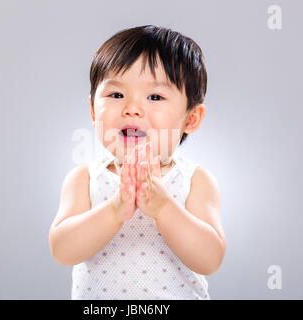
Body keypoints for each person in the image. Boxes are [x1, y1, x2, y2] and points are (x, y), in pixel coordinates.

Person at [48, 25, 226, 300]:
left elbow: (210, 259)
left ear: (191, 118)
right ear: (94, 110)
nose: (132, 107)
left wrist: (164, 207)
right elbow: (62, 250)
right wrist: (116, 209)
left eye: (155, 97)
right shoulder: (84, 179)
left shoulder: (195, 181)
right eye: (116, 95)